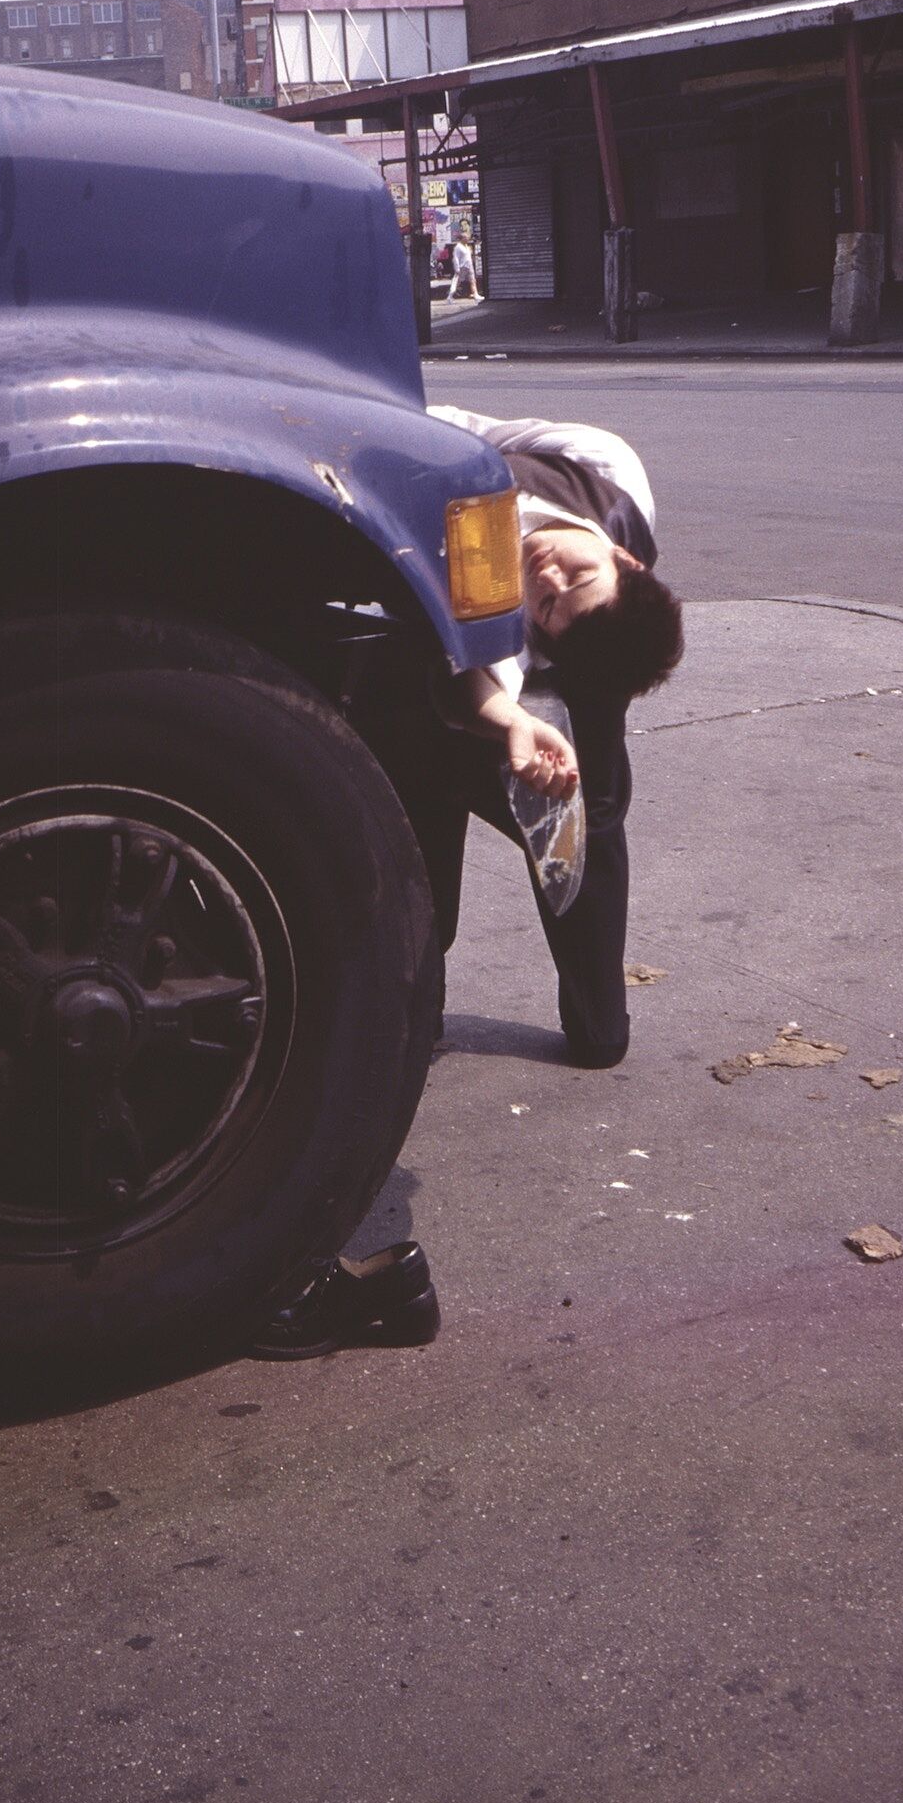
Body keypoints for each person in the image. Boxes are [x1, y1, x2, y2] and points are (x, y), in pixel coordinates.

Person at [250, 404, 684, 1359]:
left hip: (518, 681)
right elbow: (474, 427)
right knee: (420, 826)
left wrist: (527, 718)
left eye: (559, 600)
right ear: (629, 557)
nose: (552, 579)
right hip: (433, 661)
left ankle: (594, 1009)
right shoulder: (604, 465)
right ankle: (416, 1014)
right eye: (566, 581)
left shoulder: (556, 617)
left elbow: (504, 659)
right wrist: (509, 724)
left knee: (585, 817)